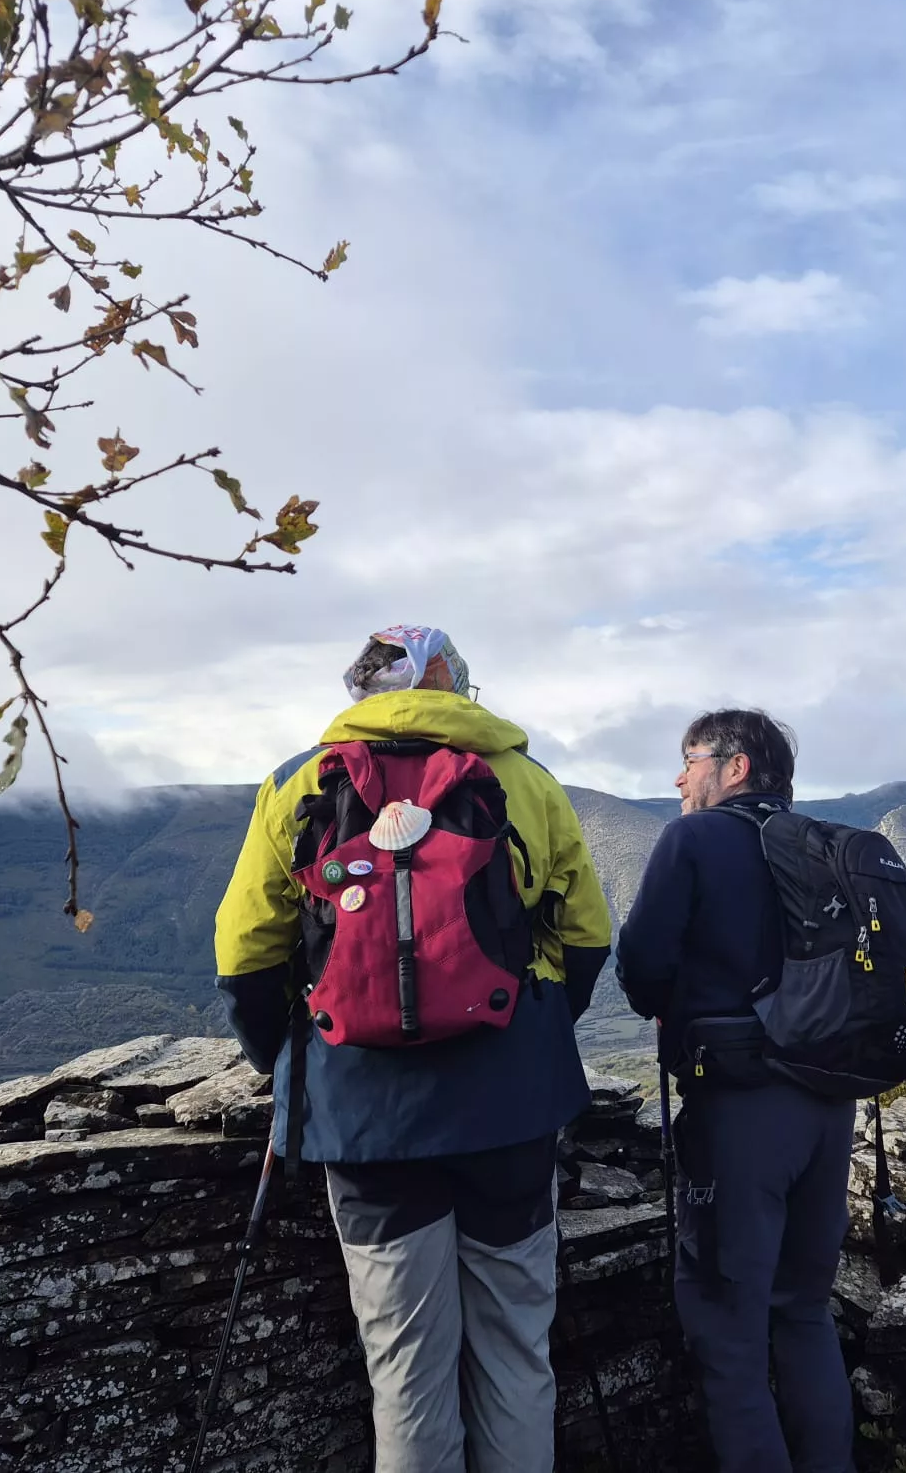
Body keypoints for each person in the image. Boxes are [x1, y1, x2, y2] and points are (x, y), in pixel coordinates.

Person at [215, 624, 612, 1473]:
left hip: (364, 1117)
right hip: (510, 1107)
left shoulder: (298, 784)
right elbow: (584, 937)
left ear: (364, 687)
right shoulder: (525, 780)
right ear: (452, 683)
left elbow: (246, 952)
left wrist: (283, 1060)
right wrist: (531, 1035)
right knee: (515, 1351)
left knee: (406, 1373)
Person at [616, 708, 855, 1473]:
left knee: (727, 1329)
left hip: (743, 1112)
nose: (679, 778)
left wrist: (675, 996)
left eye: (689, 761)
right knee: (804, 1313)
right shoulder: (828, 846)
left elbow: (643, 964)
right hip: (829, 1104)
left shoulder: (693, 838)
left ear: (735, 766)